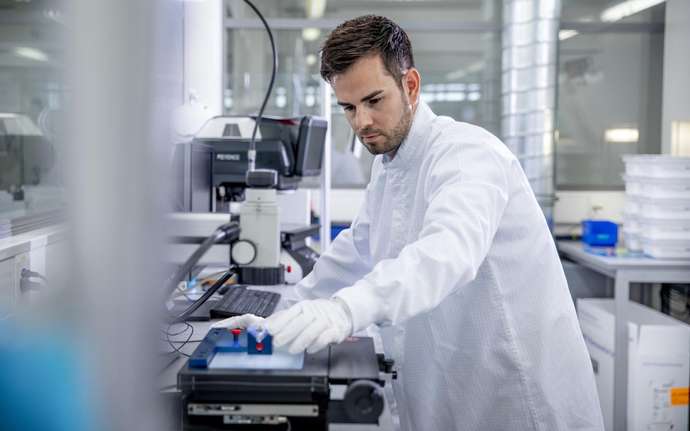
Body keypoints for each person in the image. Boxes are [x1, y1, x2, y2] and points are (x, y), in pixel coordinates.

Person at [217, 15, 604, 431]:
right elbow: (357, 250)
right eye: (348, 107)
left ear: (411, 85)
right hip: (445, 389)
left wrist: (347, 310)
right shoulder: (390, 165)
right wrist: (283, 314)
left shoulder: (467, 154)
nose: (361, 122)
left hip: (516, 399)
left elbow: (447, 253)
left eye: (374, 100)